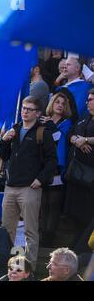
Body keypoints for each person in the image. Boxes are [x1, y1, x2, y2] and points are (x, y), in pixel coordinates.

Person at [0, 96, 57, 269]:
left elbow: (52, 161)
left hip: (29, 187)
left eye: (29, 109)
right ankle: (7, 265)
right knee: (6, 230)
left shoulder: (43, 132)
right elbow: (5, 156)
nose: (25, 111)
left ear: (38, 113)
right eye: (24, 108)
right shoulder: (15, 129)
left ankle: (29, 267)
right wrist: (4, 141)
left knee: (30, 231)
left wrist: (40, 179)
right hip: (11, 185)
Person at [39, 92, 73, 247]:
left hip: (57, 167)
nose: (59, 105)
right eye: (57, 102)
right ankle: (41, 233)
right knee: (43, 203)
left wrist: (50, 126)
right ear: (51, 104)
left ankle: (48, 236)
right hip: (42, 165)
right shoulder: (42, 121)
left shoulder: (67, 123)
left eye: (62, 103)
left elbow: (59, 137)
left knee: (53, 203)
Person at [65, 89, 94, 242]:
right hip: (77, 172)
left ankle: (81, 243)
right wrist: (77, 140)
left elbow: (86, 139)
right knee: (74, 209)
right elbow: (70, 133)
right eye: (88, 99)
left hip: (91, 174)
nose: (87, 102)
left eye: (90, 100)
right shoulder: (84, 117)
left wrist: (87, 140)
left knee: (87, 211)